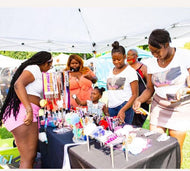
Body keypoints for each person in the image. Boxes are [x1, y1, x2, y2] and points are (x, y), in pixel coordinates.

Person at [133, 29, 190, 164]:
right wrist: (139, 100)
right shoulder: (152, 63)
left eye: (157, 51)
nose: (154, 55)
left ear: (166, 44)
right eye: (152, 52)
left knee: (175, 148)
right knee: (156, 145)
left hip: (180, 107)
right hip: (159, 106)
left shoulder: (184, 56)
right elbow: (149, 88)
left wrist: (185, 90)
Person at [0, 51, 53, 168]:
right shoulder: (33, 68)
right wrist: (29, 110)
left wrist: (41, 103)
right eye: (50, 65)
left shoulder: (36, 72)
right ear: (45, 62)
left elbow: (31, 93)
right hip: (24, 113)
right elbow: (18, 85)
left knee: (29, 157)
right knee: (28, 157)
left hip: (25, 112)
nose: (50, 68)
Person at [107, 41, 138, 124]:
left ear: (124, 57)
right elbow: (110, 91)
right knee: (113, 133)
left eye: (119, 59)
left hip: (124, 106)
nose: (116, 62)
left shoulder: (130, 71)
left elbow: (135, 94)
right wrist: (108, 105)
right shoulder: (111, 71)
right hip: (112, 107)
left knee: (123, 133)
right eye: (114, 60)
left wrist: (123, 110)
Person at [127, 49, 150, 127]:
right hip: (128, 100)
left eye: (131, 55)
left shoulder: (143, 67)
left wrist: (149, 96)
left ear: (136, 56)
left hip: (141, 100)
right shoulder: (125, 68)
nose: (129, 57)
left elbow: (150, 84)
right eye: (128, 55)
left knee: (136, 124)